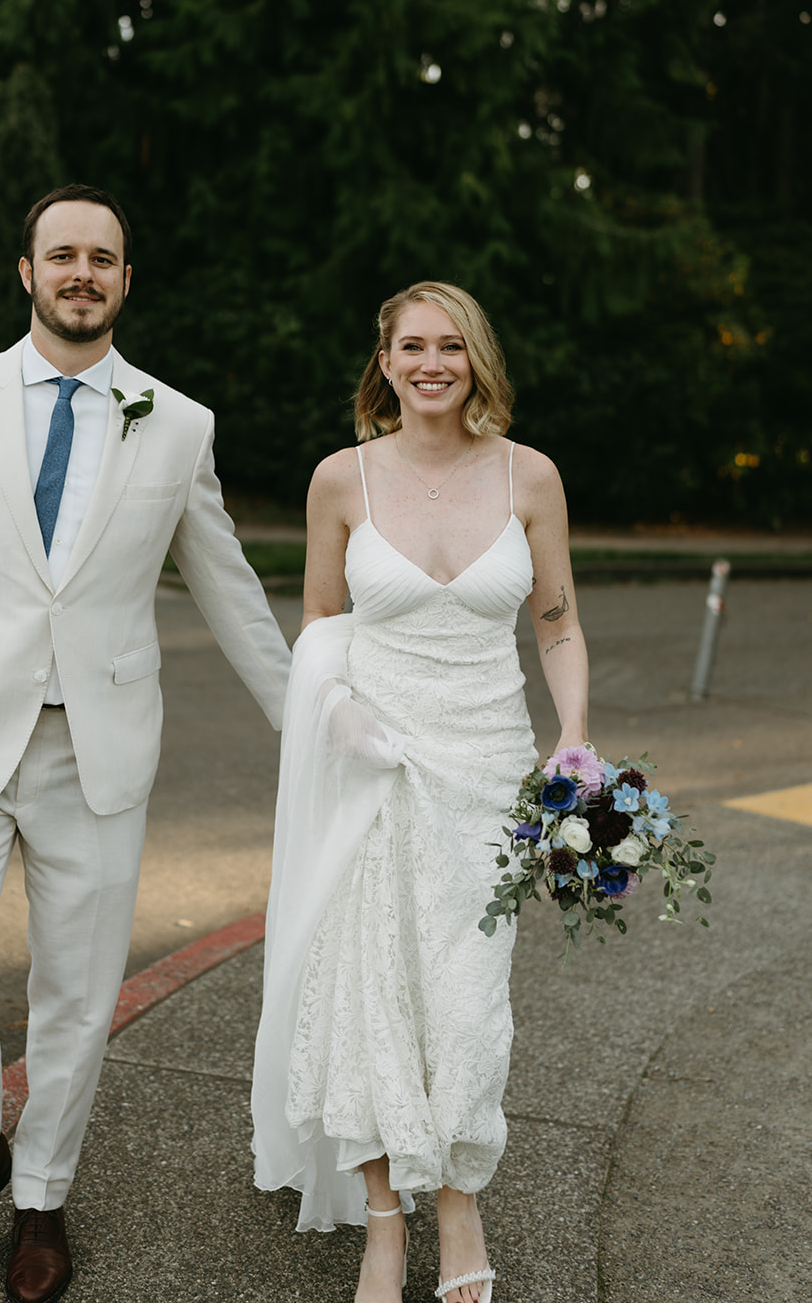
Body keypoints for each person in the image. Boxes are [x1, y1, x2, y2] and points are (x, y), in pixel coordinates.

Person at [0, 184, 291, 1303]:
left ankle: (42, 1195)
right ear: (25, 271)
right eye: (62, 253)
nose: (83, 272)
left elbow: (229, 588)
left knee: (79, 993)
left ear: (127, 281)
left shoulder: (175, 423)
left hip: (98, 747)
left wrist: (305, 716)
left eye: (105, 257)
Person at [251, 281, 588, 1303]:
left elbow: (557, 623)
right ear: (385, 361)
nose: (430, 362)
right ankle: (388, 1226)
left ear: (474, 358)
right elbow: (317, 619)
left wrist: (572, 738)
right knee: (369, 994)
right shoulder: (338, 479)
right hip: (375, 761)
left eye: (449, 346)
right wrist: (338, 706)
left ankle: (459, 1198)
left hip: (485, 770)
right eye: (411, 346)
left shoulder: (528, 477)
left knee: (468, 1003)